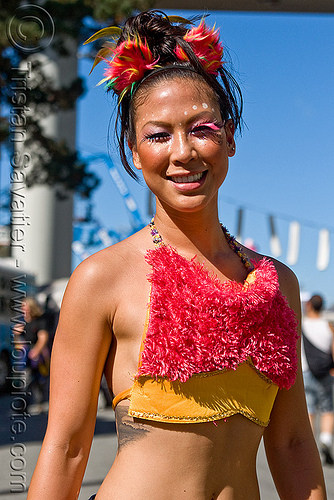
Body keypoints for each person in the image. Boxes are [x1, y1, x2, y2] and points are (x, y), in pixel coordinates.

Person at [27, 10, 327, 499]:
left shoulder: (277, 284)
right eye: (158, 134)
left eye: (201, 128)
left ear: (229, 137)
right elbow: (67, 448)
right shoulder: (103, 277)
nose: (182, 151)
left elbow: (293, 442)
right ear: (133, 148)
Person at [302, 294, 334, 465]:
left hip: (306, 373)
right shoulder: (328, 327)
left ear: (309, 305)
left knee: (309, 410)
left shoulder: (302, 325)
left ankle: (310, 448)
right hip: (325, 374)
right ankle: (326, 440)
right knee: (327, 408)